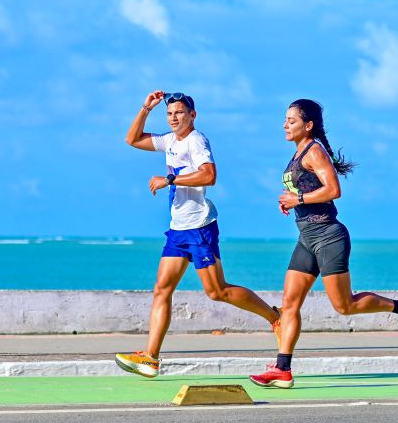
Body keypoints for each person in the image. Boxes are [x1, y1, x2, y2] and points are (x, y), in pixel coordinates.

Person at [249, 99, 398, 389]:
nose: (285, 125)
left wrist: (299, 199)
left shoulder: (314, 151)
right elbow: (307, 188)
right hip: (307, 238)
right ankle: (282, 369)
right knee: (289, 304)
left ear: (308, 125)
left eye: (291, 120)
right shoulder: (298, 154)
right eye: (285, 120)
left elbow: (334, 190)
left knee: (345, 306)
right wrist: (291, 200)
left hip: (329, 237)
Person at [115, 90, 281, 378]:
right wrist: (145, 108)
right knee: (161, 289)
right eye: (169, 114)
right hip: (178, 229)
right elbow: (132, 139)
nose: (174, 118)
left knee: (218, 292)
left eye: (179, 112)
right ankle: (151, 357)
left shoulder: (197, 140)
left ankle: (274, 317)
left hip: (200, 226)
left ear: (192, 115)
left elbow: (209, 175)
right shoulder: (169, 140)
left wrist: (169, 179)